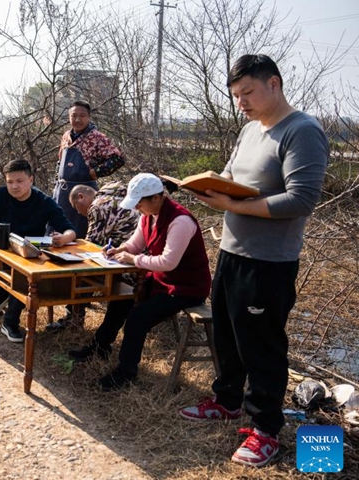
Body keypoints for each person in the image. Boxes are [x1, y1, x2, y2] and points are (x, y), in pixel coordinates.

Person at [179, 54, 329, 468]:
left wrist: (233, 204)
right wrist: (213, 192)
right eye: (236, 95)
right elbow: (231, 177)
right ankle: (227, 401)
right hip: (231, 251)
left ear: (274, 84)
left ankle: (266, 431)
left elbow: (301, 199)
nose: (241, 102)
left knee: (261, 345)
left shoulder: (302, 131)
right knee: (226, 334)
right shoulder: (249, 130)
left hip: (269, 261)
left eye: (247, 92)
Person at [67, 173, 211, 392]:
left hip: (186, 287)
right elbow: (135, 243)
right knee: (121, 298)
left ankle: (126, 372)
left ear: (157, 198)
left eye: (140, 203)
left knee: (137, 317)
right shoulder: (148, 216)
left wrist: (133, 259)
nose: (137, 209)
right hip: (162, 280)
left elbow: (168, 262)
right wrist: (120, 249)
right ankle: (100, 346)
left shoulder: (180, 221)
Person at [0, 159, 76, 342]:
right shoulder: (0, 196)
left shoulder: (44, 201)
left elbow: (70, 230)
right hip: (1, 252)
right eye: (10, 181)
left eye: (19, 181)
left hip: (30, 257)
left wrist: (63, 238)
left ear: (31, 180)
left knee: (24, 278)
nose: (14, 186)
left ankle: (10, 322)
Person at [51, 101, 126, 327]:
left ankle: (78, 309)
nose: (77, 120)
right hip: (62, 194)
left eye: (82, 116)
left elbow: (117, 158)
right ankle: (62, 298)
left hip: (83, 195)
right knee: (58, 242)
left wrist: (95, 171)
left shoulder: (97, 137)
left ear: (89, 117)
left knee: (79, 246)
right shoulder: (66, 135)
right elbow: (59, 160)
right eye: (74, 115)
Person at [45, 182, 140, 332]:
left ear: (81, 197)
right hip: (133, 256)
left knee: (80, 272)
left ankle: (73, 320)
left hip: (126, 264)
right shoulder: (116, 198)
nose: (78, 212)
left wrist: (66, 244)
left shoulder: (98, 206)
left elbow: (92, 244)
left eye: (76, 206)